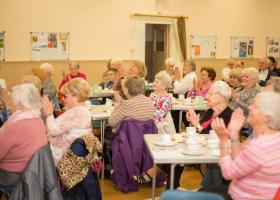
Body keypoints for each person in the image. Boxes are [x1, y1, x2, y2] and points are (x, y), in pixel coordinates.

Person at [210, 92, 280, 200]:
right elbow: (239, 161)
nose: (249, 107)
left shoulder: (259, 146)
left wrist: (223, 140)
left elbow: (228, 173)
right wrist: (233, 132)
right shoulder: (273, 138)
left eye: (255, 106)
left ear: (266, 118)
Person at [0, 83, 48, 188]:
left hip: (13, 175)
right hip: (33, 172)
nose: (10, 106)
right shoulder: (37, 119)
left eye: (13, 103)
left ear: (21, 104)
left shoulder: (17, 125)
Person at [42, 78, 92, 164]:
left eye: (65, 96)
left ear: (76, 96)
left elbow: (53, 130)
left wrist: (49, 115)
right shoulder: (81, 110)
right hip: (67, 155)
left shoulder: (77, 113)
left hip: (64, 158)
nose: (63, 100)